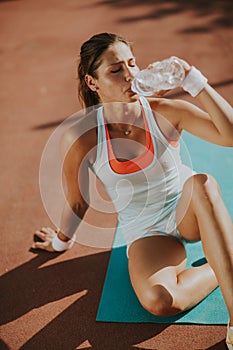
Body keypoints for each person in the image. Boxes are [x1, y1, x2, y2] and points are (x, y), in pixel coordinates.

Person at [32, 33, 233, 348]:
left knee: (203, 183)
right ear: (92, 81)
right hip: (148, 230)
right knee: (160, 302)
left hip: (189, 210)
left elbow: (230, 134)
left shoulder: (164, 110)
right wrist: (60, 242)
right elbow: (78, 198)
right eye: (115, 70)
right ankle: (224, 261)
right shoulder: (81, 136)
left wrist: (194, 81)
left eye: (132, 64)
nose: (130, 76)